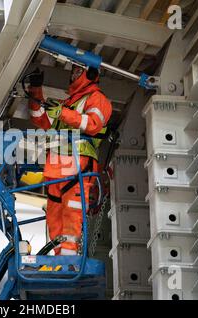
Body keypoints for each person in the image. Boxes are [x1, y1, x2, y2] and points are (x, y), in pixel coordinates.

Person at [28, 65, 113, 256]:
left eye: (78, 71)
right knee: (54, 218)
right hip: (56, 169)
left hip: (77, 167)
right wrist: (35, 90)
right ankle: (60, 259)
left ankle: (68, 260)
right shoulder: (67, 104)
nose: (72, 75)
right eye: (72, 71)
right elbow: (40, 120)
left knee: (71, 215)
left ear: (90, 74)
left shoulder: (96, 99)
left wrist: (62, 113)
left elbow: (92, 125)